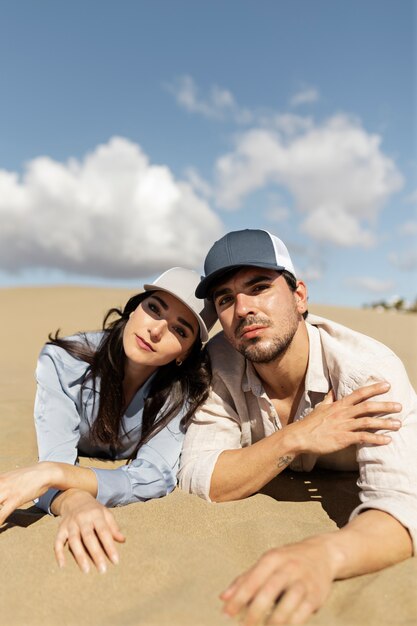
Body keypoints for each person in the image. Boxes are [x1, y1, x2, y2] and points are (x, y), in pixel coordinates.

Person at [178, 229, 417, 625]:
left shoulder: (367, 374)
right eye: (225, 299)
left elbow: (402, 509)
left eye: (259, 287)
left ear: (300, 296)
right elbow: (200, 475)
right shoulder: (218, 363)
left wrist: (323, 556)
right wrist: (297, 436)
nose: (243, 310)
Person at [0, 267, 216, 574]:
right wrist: (75, 502)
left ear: (185, 354)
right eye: (154, 308)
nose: (156, 331)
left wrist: (51, 474)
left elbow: (155, 476)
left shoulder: (182, 391)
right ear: (134, 308)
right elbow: (56, 458)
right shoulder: (63, 363)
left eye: (180, 331)